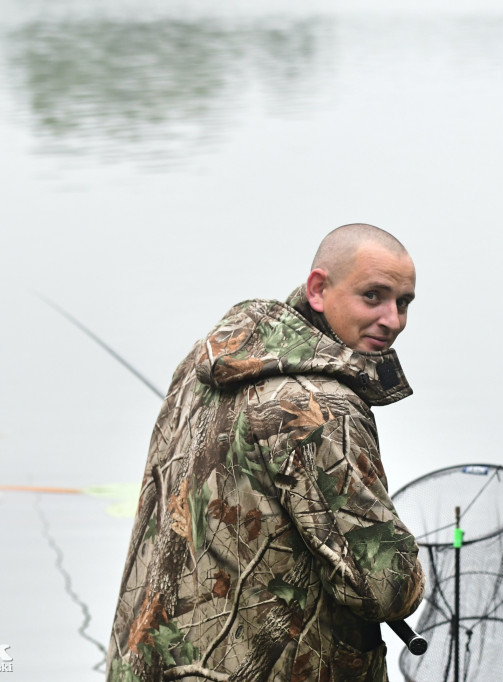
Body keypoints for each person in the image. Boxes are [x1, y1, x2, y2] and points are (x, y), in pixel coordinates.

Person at [106, 223, 426, 682]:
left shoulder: (205, 364)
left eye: (404, 302)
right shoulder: (321, 407)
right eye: (373, 296)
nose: (392, 319)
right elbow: (385, 589)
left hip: (149, 665)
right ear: (318, 290)